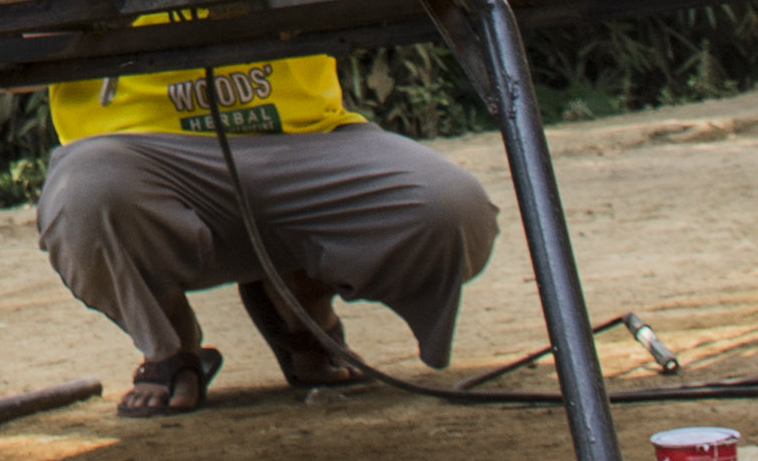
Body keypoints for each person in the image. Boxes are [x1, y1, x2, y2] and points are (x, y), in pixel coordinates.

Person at [35, 46, 498, 415]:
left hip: (308, 137)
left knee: (448, 209)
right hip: (136, 153)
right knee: (86, 199)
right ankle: (172, 346)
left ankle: (301, 306)